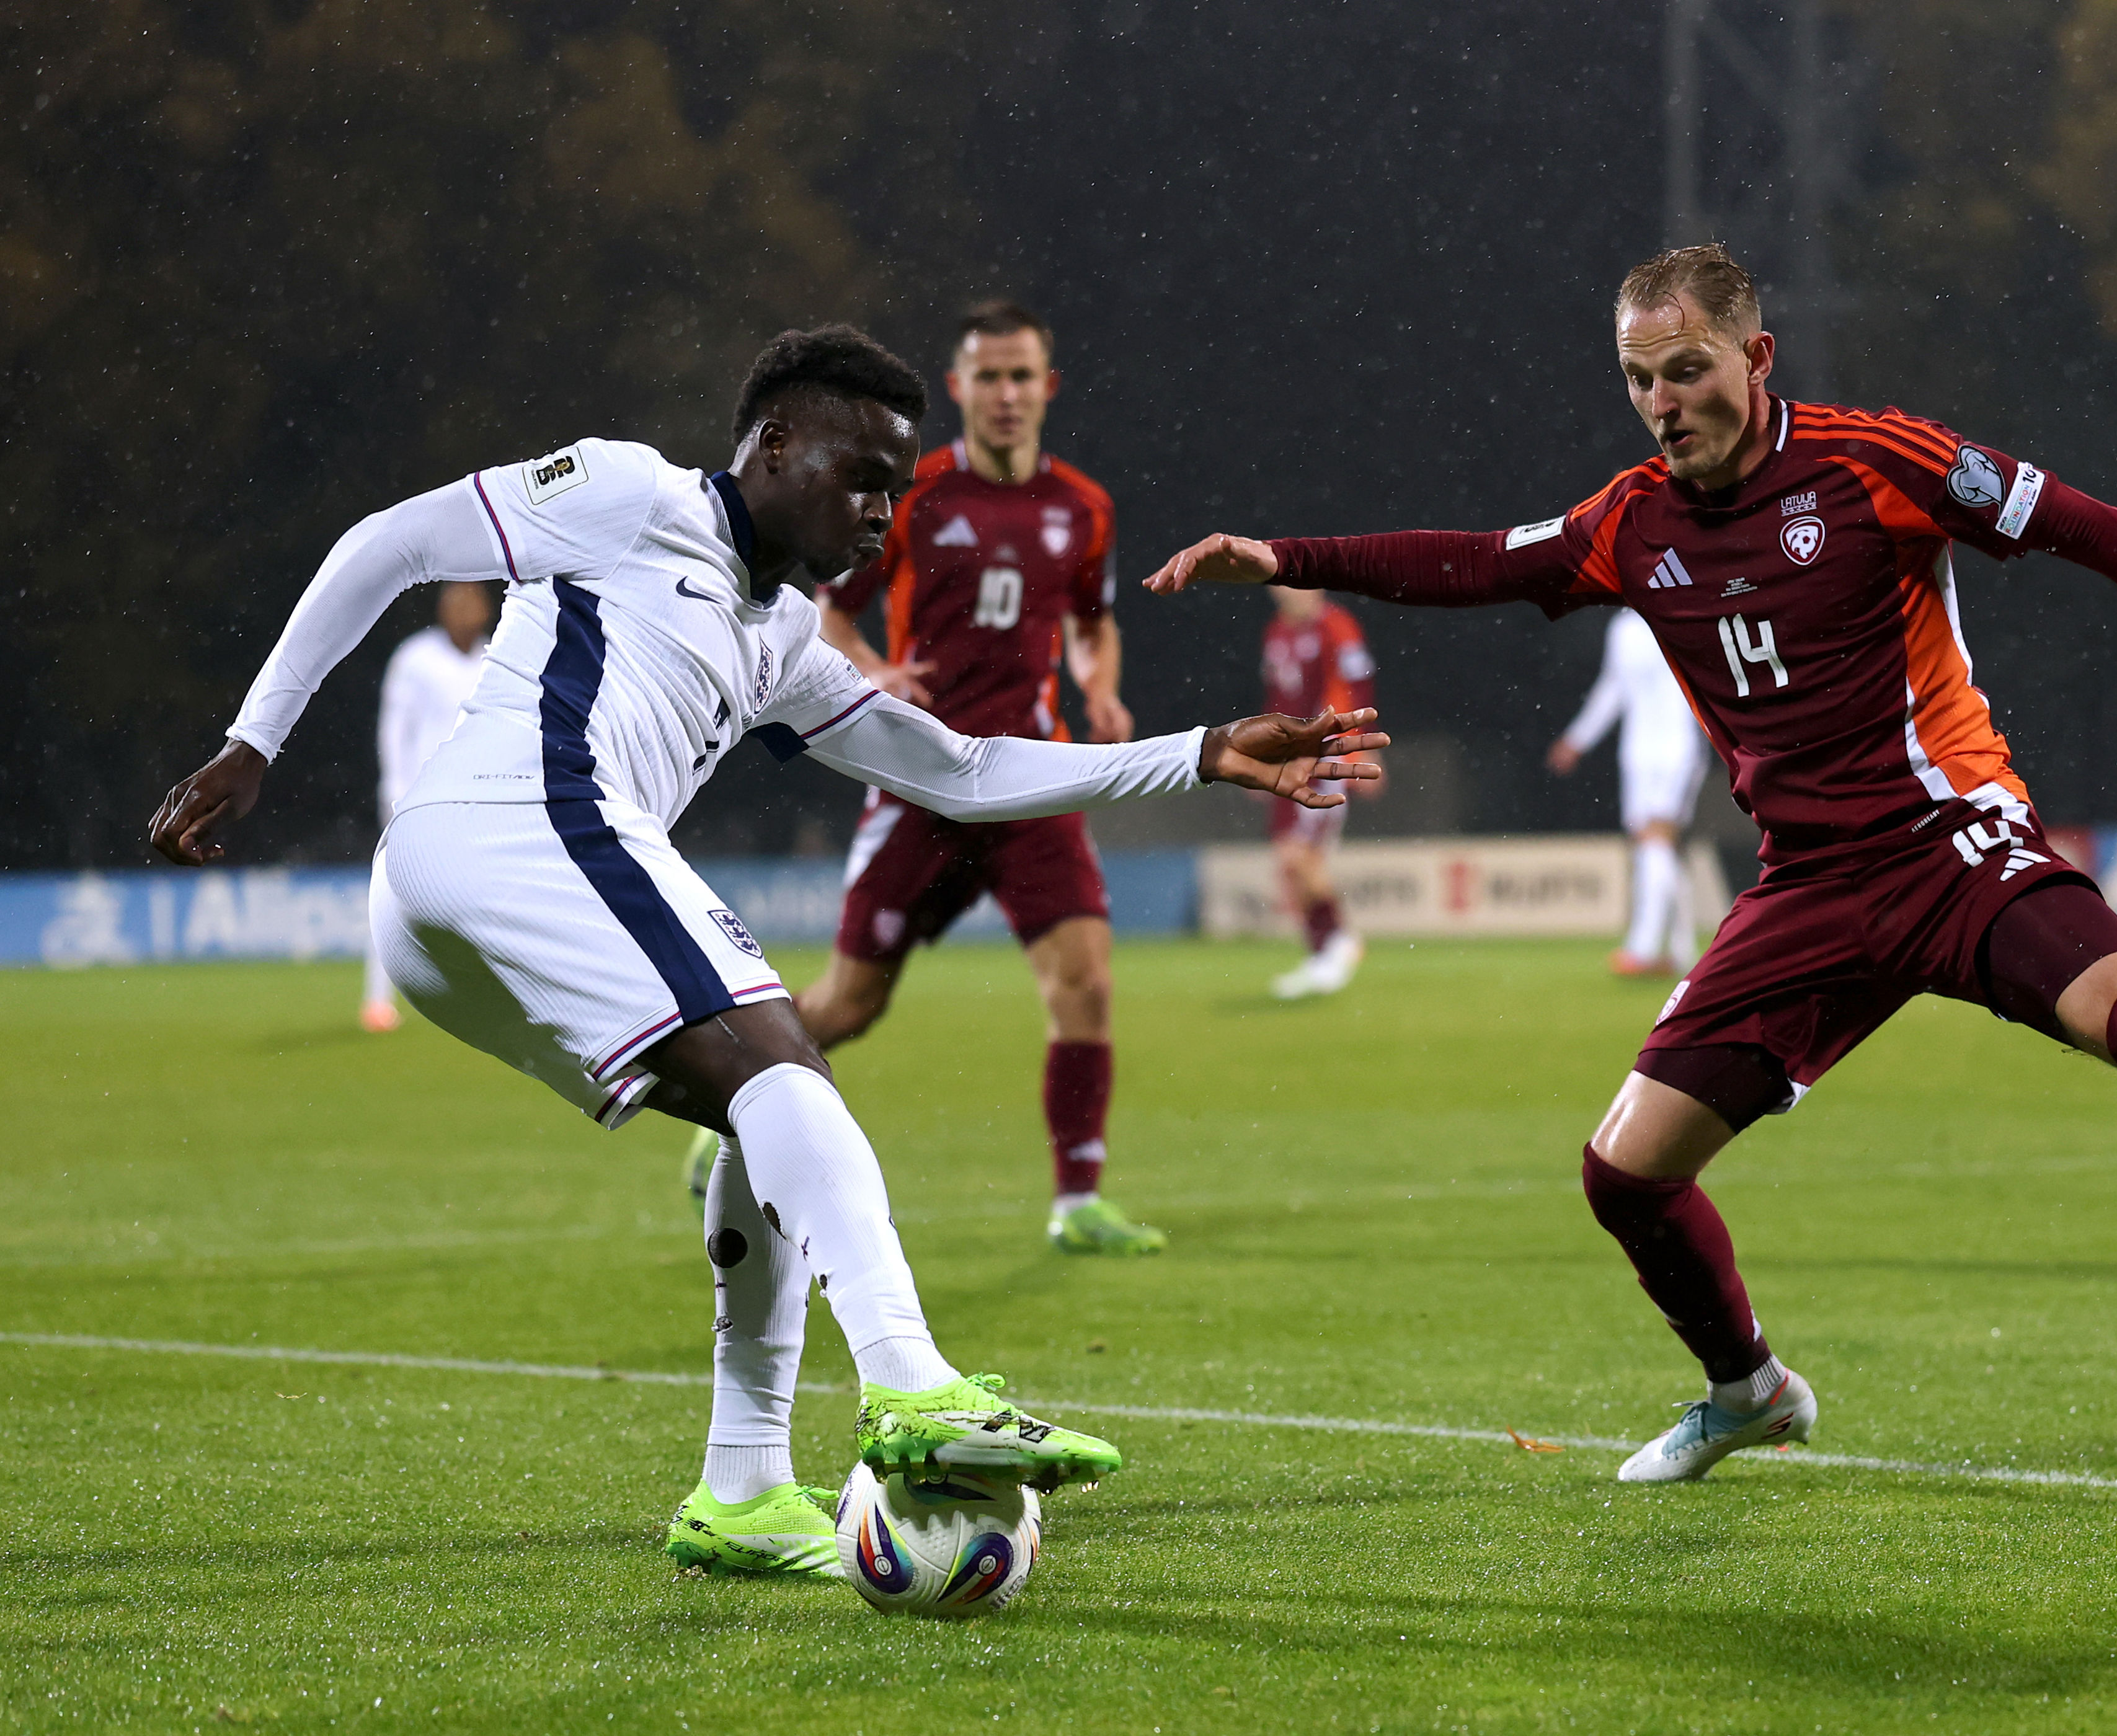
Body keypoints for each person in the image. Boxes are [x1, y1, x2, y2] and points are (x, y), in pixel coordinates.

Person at [1145, 244, 2117, 1486]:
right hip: (1808, 890)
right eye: (1640, 380)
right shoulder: (1629, 522)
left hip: (1947, 840)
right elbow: (1478, 562)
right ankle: (1750, 1390)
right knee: (1624, 1172)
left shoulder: (1877, 462)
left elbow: (2084, 525)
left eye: (1687, 370)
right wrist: (1285, 560)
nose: (1663, 404)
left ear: (1756, 357)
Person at [148, 324, 1385, 1577]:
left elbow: (959, 770)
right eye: (862, 479)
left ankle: (741, 1486)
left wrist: (1200, 750)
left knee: (771, 1107)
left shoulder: (786, 638)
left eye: (895, 492)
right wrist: (255, 740)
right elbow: (392, 544)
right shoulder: (631, 493)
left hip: (457, 911)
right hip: (509, 823)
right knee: (783, 1063)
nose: (880, 513)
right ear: (777, 445)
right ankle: (911, 1379)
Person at [768, 301, 1163, 1257]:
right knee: (850, 1005)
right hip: (923, 781)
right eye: (989, 376)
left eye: (1022, 375)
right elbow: (831, 616)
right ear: (958, 388)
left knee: (1086, 984)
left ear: (1047, 387)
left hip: (1032, 778)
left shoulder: (1084, 506)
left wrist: (1100, 688)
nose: (1007, 394)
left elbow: (1093, 622)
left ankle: (1078, 1202)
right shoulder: (912, 493)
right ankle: (741, 1096)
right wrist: (874, 673)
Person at [1548, 609, 1709, 978]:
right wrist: (1578, 739)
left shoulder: (1672, 614)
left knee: (1656, 840)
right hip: (1640, 752)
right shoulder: (1630, 625)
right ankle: (1680, 952)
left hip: (1678, 746)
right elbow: (1615, 688)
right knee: (1656, 847)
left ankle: (1644, 949)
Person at [362, 580, 493, 1030]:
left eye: (470, 604)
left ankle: (477, 996)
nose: (463, 613)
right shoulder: (415, 657)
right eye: (455, 605)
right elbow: (394, 728)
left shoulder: (497, 656)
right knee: (393, 896)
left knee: (478, 898)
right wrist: (393, 788)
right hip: (417, 796)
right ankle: (377, 1000)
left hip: (476, 796)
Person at [1260, 585, 1382, 998]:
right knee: (1289, 862)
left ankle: (1337, 945)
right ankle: (1324, 952)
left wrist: (1363, 745)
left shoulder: (1336, 626)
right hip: (1289, 758)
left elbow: (1358, 688)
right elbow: (1277, 698)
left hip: (1326, 756)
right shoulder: (1277, 632)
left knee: (1302, 856)